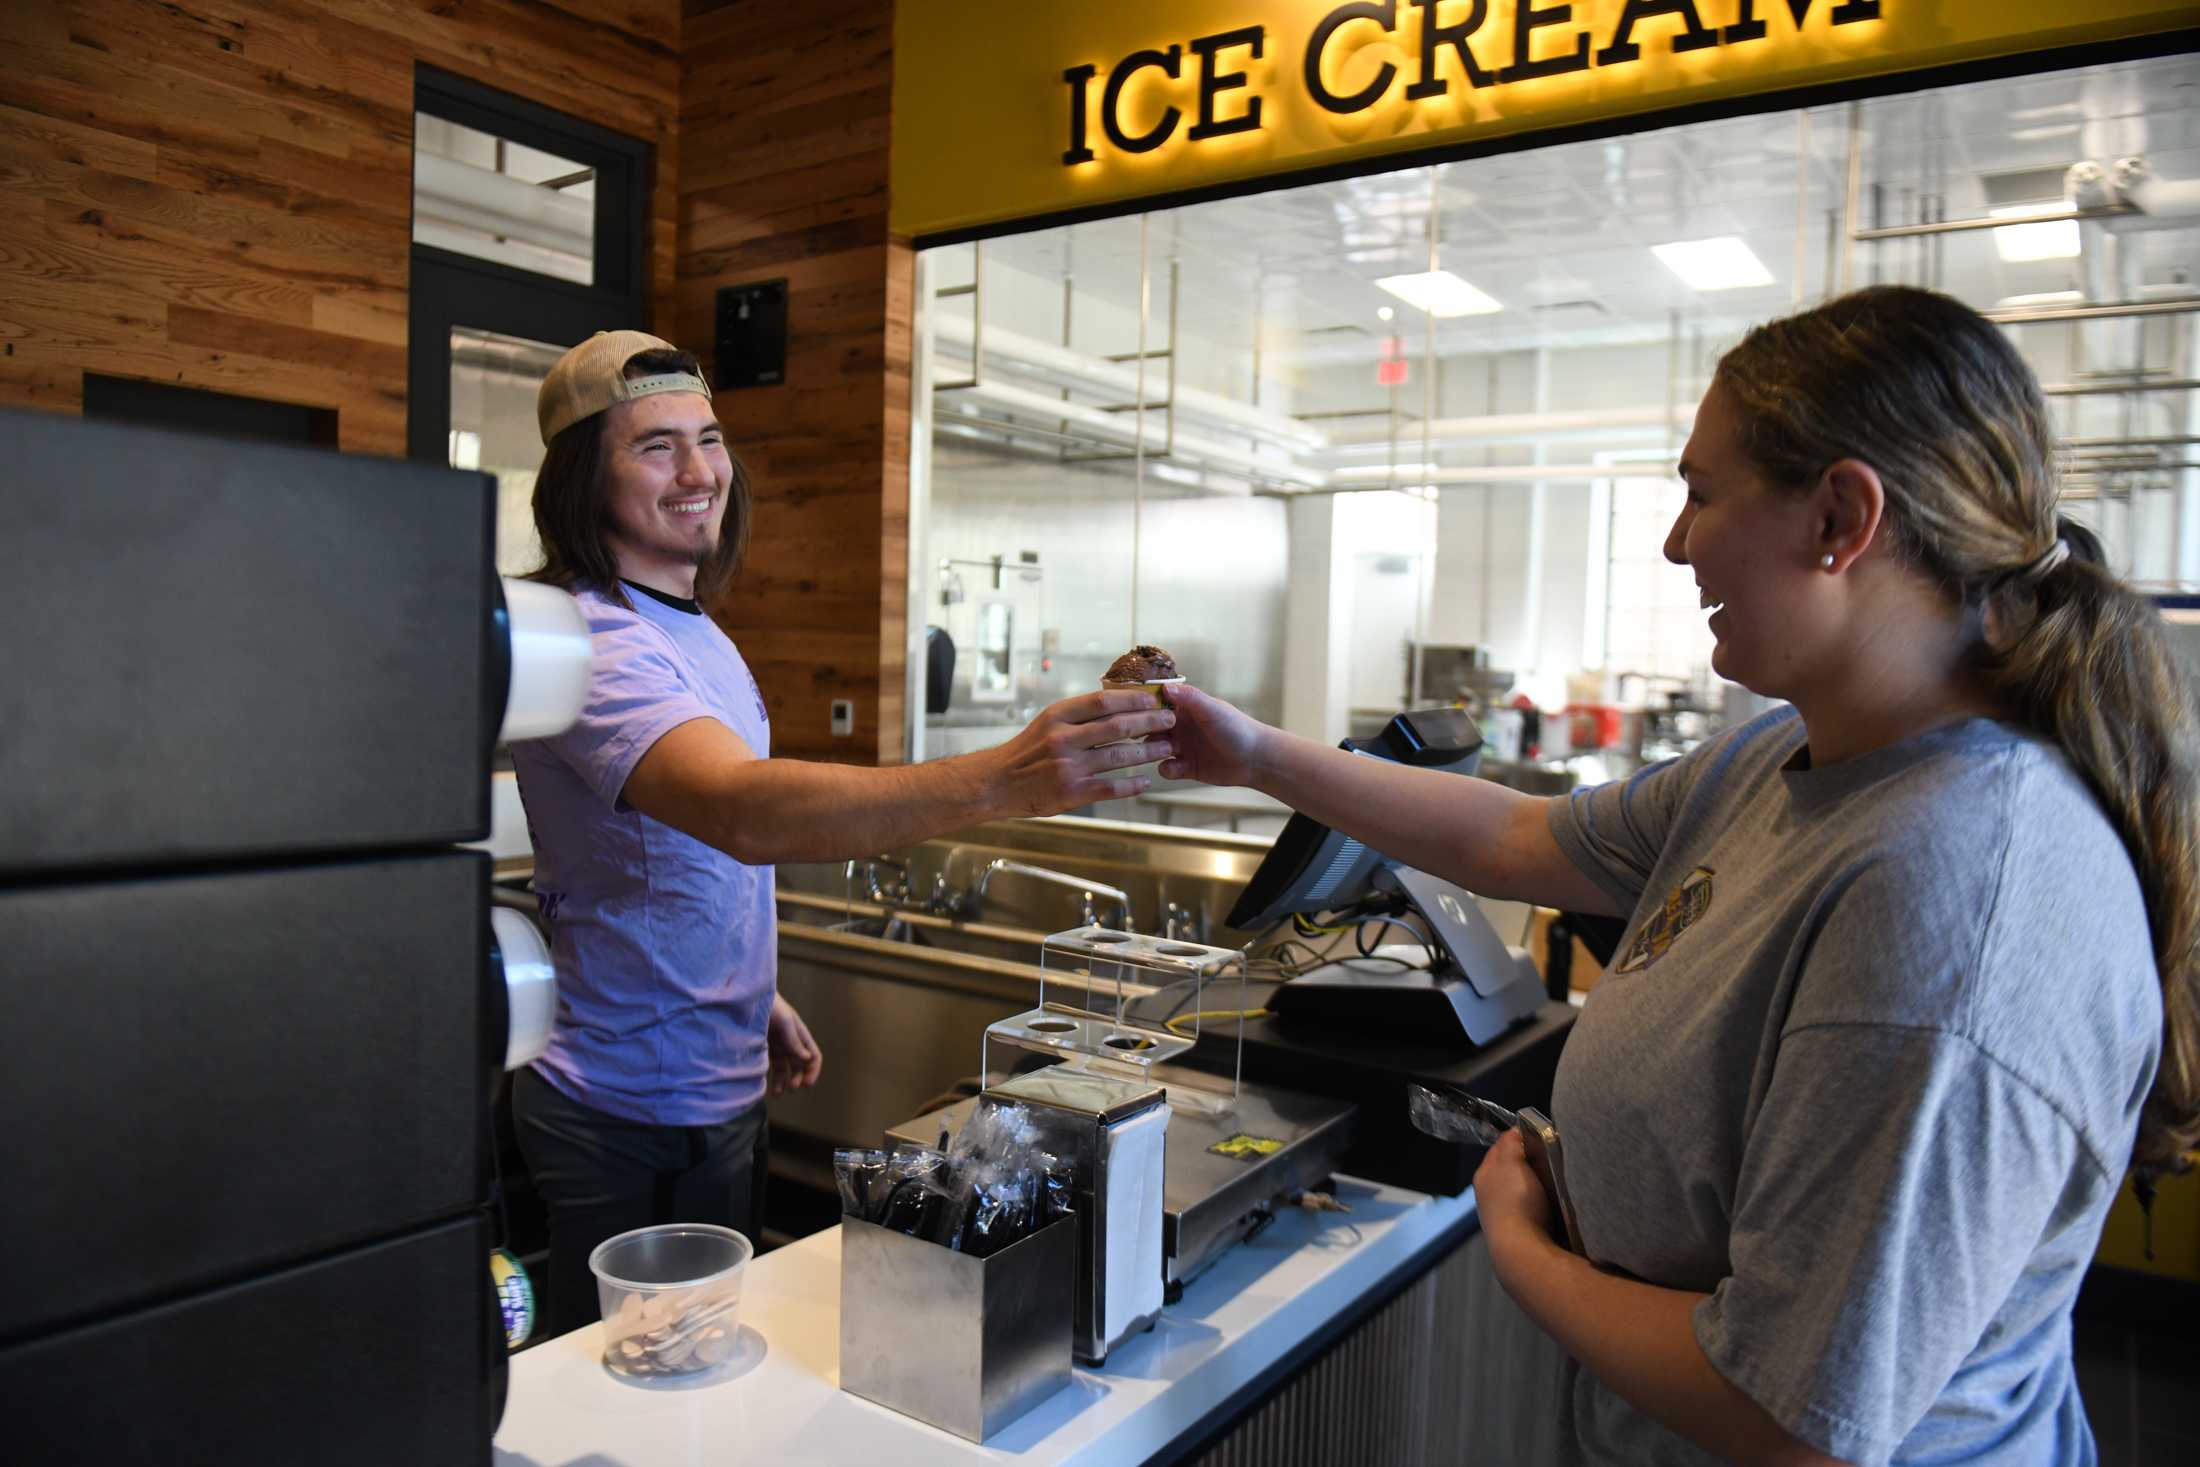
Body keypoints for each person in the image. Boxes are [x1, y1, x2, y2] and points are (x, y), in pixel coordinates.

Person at [1157, 287, 2197, 1465]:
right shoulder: (1783, 755)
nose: (1673, 540)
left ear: (1840, 519)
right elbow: (1518, 839)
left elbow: (1792, 1420)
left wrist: (1523, 1249)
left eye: (1701, 493)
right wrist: (1249, 755)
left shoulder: (1950, 905)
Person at [506, 330, 1175, 1337]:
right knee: (625, 1388)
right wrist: (1007, 776)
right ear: (579, 478)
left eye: (709, 438)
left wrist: (752, 988)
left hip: (713, 1073)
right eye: (654, 447)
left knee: (704, 1366)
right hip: (622, 1102)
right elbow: (738, 808)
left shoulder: (692, 626)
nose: (698, 473)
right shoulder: (595, 638)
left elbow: (676, 853)